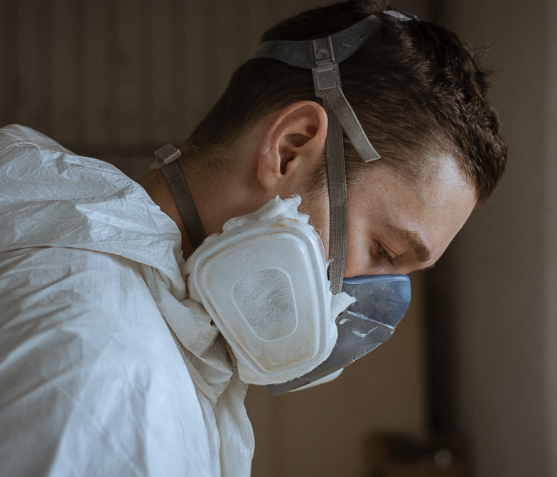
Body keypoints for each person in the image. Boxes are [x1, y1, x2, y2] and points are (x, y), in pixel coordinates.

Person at [0, 1, 506, 476]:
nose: (377, 303)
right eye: (385, 251)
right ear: (291, 150)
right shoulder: (109, 372)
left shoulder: (127, 296)